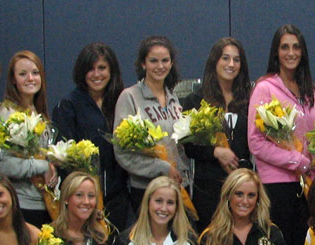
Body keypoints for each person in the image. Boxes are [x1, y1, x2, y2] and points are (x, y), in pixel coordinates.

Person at [247, 24, 315, 245]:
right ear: (276, 52)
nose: (291, 52)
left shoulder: (311, 89)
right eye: (285, 47)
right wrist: (297, 161)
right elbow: (256, 142)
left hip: (309, 186)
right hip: (278, 186)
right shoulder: (265, 87)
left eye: (296, 47)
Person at [53, 42, 131, 231]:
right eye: (91, 69)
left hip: (118, 195)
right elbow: (64, 154)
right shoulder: (69, 104)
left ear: (111, 70)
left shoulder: (121, 100)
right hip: (84, 199)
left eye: (102, 68)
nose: (97, 74)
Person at [182, 37, 252, 230]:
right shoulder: (195, 100)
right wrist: (215, 152)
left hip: (242, 190)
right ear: (215, 61)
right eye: (225, 58)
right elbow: (187, 146)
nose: (231, 64)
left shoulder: (249, 100)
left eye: (236, 60)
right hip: (208, 190)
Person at [114, 36, 188, 213]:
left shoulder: (173, 99)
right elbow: (121, 151)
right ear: (143, 64)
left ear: (171, 63)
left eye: (165, 60)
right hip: (146, 189)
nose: (160, 66)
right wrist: (161, 168)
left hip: (177, 186)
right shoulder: (129, 97)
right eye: (153, 61)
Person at [0, 50, 57, 227]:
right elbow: (4, 164)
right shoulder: (8, 114)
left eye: (35, 73)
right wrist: (43, 166)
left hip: (44, 202)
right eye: (23, 74)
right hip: (22, 204)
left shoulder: (39, 111)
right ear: (13, 79)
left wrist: (53, 168)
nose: (30, 78)